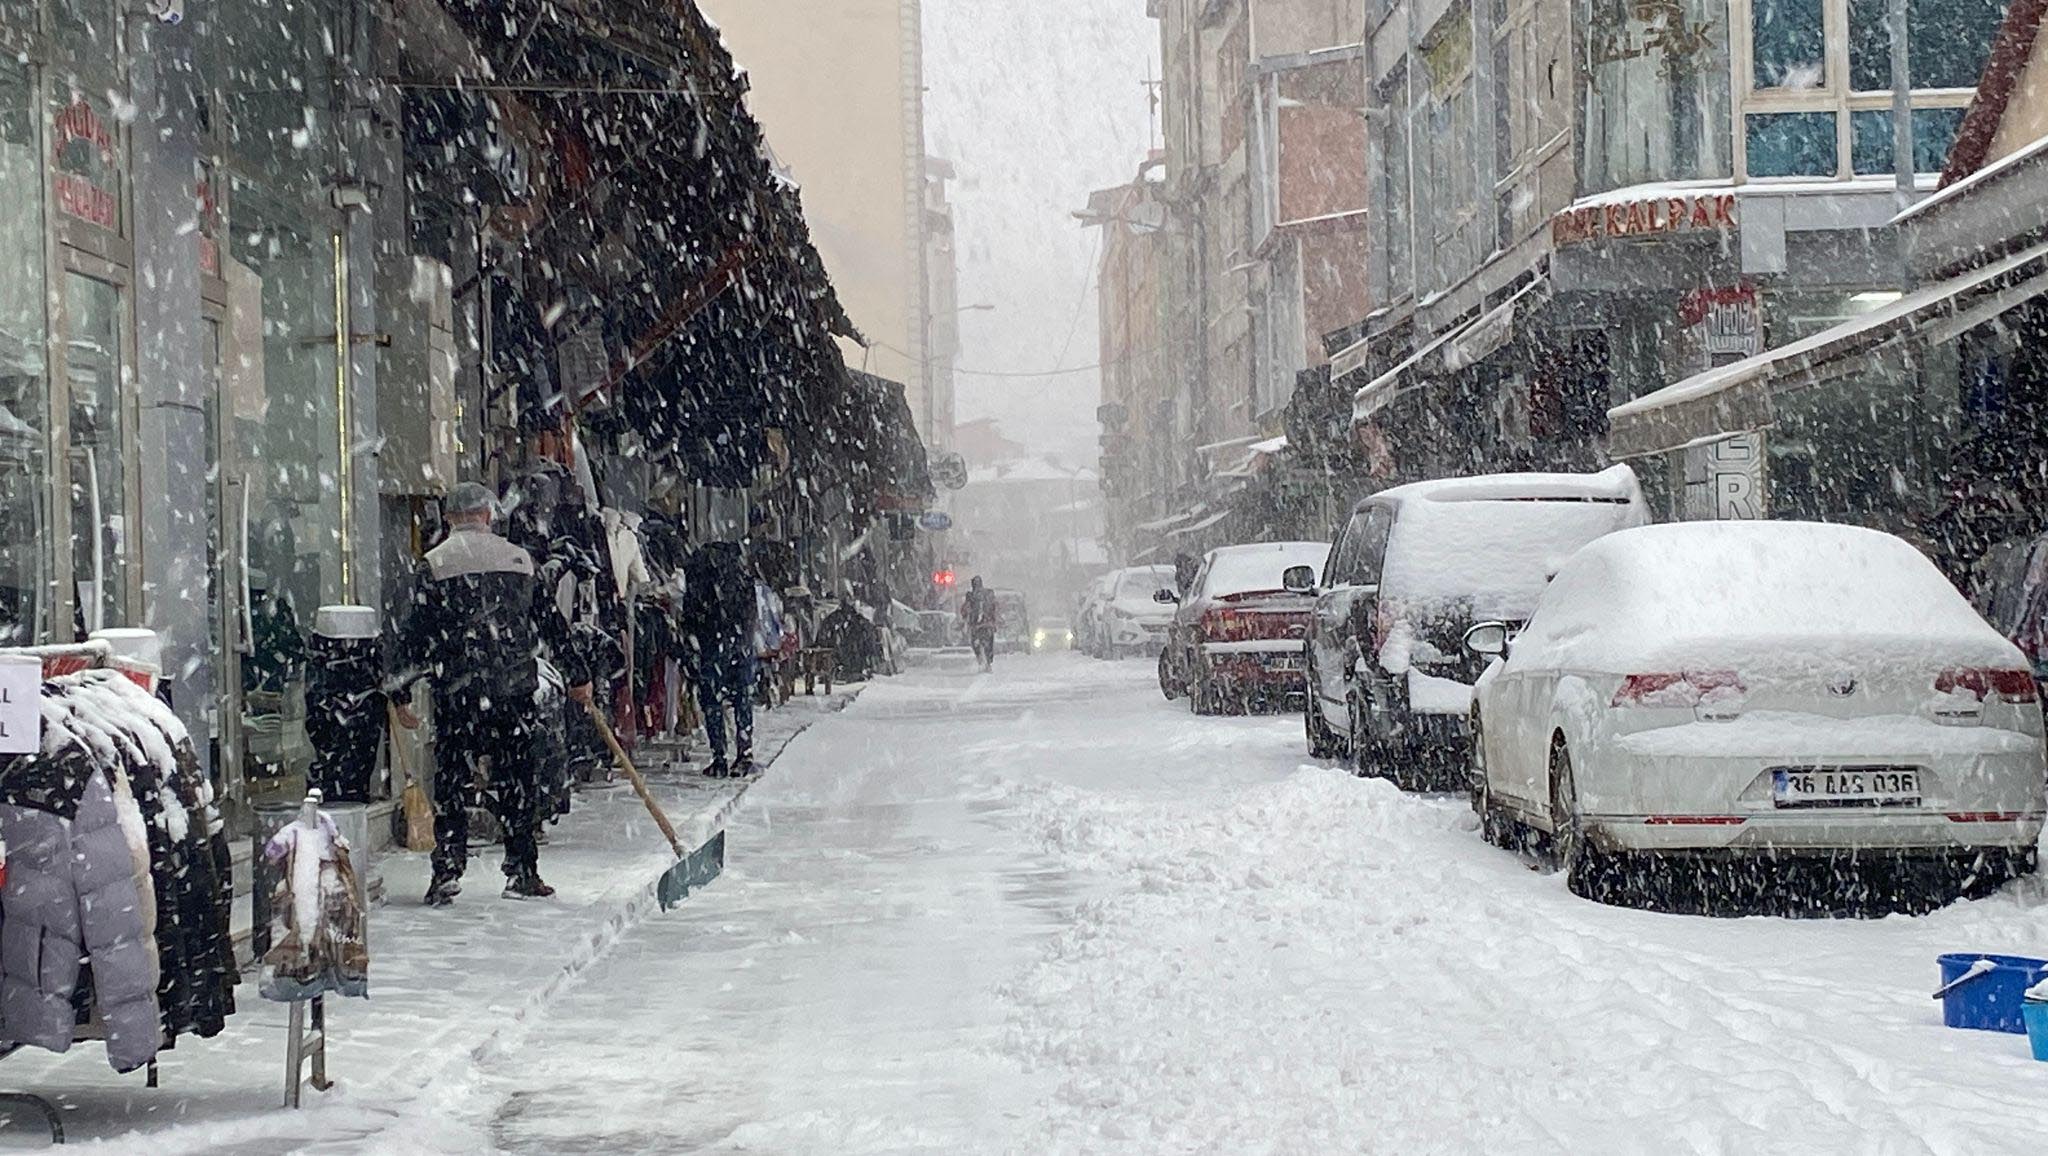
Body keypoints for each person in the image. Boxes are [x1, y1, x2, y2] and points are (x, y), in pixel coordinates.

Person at [394, 482, 591, 906]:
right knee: (518, 780)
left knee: (451, 781)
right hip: (513, 690)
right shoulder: (520, 560)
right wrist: (578, 675)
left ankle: (447, 869)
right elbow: (551, 623)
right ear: (488, 515)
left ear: (449, 518)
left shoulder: (434, 565)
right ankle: (522, 870)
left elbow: (414, 634)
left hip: (457, 692)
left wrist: (400, 691)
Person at [681, 538, 758, 777]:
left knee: (712, 703)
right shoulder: (741, 575)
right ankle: (744, 753)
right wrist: (744, 639)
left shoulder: (698, 572)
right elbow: (751, 612)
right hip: (739, 645)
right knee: (742, 699)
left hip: (711, 646)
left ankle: (719, 757)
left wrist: (693, 642)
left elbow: (690, 613)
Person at [962, 576, 999, 672]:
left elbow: (965, 609)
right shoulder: (989, 594)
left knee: (975, 643)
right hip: (988, 624)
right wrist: (994, 622)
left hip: (976, 626)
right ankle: (988, 662)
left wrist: (965, 618)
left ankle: (980, 659)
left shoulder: (970, 596)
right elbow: (994, 608)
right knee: (989, 644)